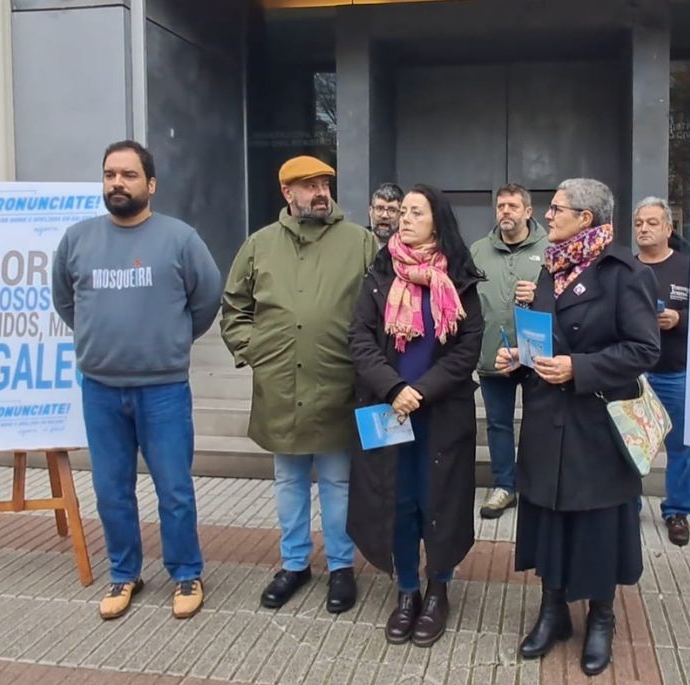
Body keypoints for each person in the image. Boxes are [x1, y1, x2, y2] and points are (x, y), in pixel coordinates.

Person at [495, 178, 660, 676]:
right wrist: (519, 360)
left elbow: (643, 349)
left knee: (596, 523)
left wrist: (579, 369)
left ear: (586, 218)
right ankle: (553, 611)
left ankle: (601, 617)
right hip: (548, 419)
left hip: (596, 423)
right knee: (549, 515)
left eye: (558, 208)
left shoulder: (623, 272)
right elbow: (546, 337)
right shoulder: (552, 266)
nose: (547, 215)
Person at [52, 140, 222, 621]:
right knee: (111, 490)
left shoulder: (180, 239)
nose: (117, 183)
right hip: (101, 388)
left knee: (173, 488)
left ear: (150, 184)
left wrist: (170, 341)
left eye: (128, 175)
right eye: (110, 175)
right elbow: (66, 302)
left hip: (163, 388)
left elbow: (207, 299)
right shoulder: (77, 240)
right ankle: (124, 573)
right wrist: (99, 342)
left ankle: (186, 572)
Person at [221, 155, 375, 614]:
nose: (320, 192)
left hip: (338, 381)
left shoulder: (361, 242)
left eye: (325, 182)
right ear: (287, 193)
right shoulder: (259, 245)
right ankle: (294, 564)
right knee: (288, 479)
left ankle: (342, 567)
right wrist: (254, 350)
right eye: (308, 185)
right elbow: (235, 306)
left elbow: (383, 306)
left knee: (337, 481)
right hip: (280, 383)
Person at [347, 184, 485, 648]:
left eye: (415, 212)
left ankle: (438, 588)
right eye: (401, 211)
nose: (404, 219)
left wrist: (420, 392)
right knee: (397, 501)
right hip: (388, 410)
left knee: (438, 501)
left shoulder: (460, 278)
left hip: (441, 413)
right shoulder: (379, 272)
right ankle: (406, 590)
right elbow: (360, 340)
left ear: (436, 221)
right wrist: (394, 388)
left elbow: (467, 349)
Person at [469, 184, 549, 518]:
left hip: (538, 356)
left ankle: (535, 486)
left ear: (528, 212)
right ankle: (505, 486)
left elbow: (566, 298)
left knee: (539, 423)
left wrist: (539, 295)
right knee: (498, 424)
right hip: (493, 355)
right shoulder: (477, 250)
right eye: (500, 206)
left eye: (513, 206)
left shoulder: (551, 248)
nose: (505, 211)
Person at [634, 196, 690, 546]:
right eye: (639, 223)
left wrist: (680, 318)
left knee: (681, 446)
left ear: (669, 229)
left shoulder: (688, 267)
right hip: (635, 375)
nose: (644, 228)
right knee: (632, 446)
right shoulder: (626, 268)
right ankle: (630, 506)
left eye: (652, 223)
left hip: (675, 371)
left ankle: (677, 512)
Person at [367, 182, 404, 248]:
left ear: (401, 215)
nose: (385, 215)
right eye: (379, 209)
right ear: (370, 212)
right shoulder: (358, 243)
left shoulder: (410, 251)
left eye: (392, 210)